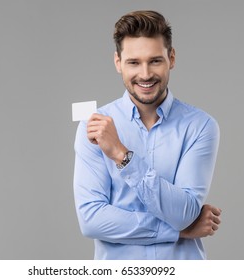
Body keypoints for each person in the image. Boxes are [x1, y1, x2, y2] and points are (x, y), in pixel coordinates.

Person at [73, 10, 221, 260]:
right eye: (133, 62)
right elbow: (91, 220)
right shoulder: (94, 126)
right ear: (118, 62)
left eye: (155, 61)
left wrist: (121, 155)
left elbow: (184, 214)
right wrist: (178, 232)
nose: (145, 74)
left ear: (171, 58)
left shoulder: (200, 126)